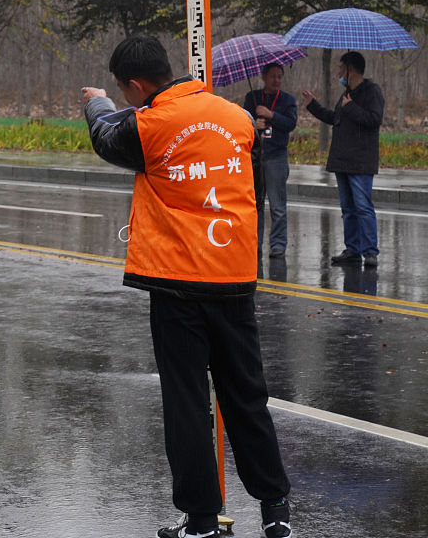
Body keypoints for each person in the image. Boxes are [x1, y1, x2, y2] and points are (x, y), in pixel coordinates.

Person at [81, 35, 291, 538]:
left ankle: (201, 519)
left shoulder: (149, 125)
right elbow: (254, 189)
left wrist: (97, 105)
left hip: (178, 284)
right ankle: (276, 510)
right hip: (234, 276)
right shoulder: (236, 119)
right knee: (246, 397)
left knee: (187, 401)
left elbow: (108, 138)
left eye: (123, 91)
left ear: (135, 85)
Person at [303, 50, 385, 268]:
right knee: (347, 208)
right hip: (341, 160)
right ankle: (353, 249)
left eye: (341, 68)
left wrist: (352, 107)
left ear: (351, 70)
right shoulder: (346, 93)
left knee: (362, 207)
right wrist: (313, 105)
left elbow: (374, 120)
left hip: (360, 162)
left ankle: (370, 252)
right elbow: (334, 117)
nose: (338, 72)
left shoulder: (371, 91)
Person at [244, 63, 299, 258]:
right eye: (273, 76)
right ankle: (254, 244)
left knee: (277, 205)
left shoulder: (287, 100)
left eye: (279, 76)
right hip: (257, 157)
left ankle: (277, 245)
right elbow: (242, 122)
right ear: (264, 77)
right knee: (255, 204)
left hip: (276, 156)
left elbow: (290, 123)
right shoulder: (252, 98)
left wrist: (271, 115)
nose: (276, 80)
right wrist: (253, 124)